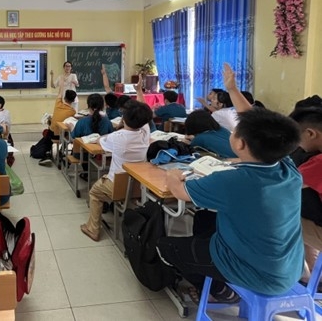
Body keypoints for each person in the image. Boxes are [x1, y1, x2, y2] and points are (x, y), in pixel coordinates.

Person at [157, 63, 304, 300]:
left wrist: (172, 174)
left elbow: (180, 191)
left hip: (252, 271)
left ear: (241, 144)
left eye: (235, 130)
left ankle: (220, 290)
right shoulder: (287, 166)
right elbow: (257, 121)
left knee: (165, 246)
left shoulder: (234, 181)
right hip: (288, 267)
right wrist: (233, 90)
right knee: (205, 216)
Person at [80, 99, 152, 242]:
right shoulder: (145, 134)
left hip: (116, 185)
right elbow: (144, 117)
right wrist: (139, 93)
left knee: (94, 192)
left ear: (124, 118)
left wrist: (109, 133)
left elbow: (100, 141)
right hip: (139, 186)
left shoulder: (117, 137)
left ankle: (93, 229)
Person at [288, 107, 322, 282]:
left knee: (273, 220)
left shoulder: (317, 162)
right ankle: (309, 274)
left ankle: (294, 273)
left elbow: (285, 186)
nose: (297, 146)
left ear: (310, 133)